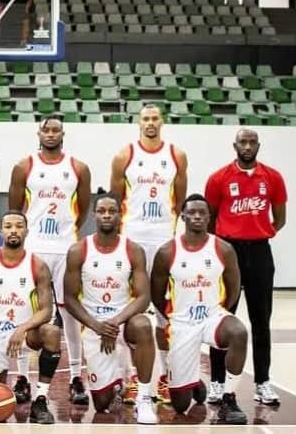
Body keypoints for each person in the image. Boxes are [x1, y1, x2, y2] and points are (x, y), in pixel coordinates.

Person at [8, 114, 91, 405]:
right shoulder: (24, 167)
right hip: (34, 248)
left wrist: (66, 233)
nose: (51, 134)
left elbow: (82, 210)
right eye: (47, 130)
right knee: (25, 311)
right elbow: (15, 211)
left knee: (70, 312)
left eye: (56, 130)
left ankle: (76, 377)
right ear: (38, 133)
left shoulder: (78, 168)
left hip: (65, 248)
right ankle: (22, 377)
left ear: (63, 133)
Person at [109, 103, 187, 404]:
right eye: (146, 119)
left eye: (155, 118)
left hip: (164, 237)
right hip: (133, 237)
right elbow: (115, 201)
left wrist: (169, 228)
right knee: (132, 309)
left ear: (162, 122)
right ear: (138, 123)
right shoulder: (124, 155)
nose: (150, 123)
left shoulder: (176, 155)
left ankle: (167, 376)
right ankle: (131, 376)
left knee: (165, 310)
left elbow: (179, 200)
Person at [205, 128, 287, 406]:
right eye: (243, 142)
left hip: (260, 252)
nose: (248, 146)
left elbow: (280, 219)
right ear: (235, 145)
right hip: (229, 252)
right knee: (222, 319)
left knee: (261, 320)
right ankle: (217, 383)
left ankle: (262, 383)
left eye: (252, 142)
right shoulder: (219, 178)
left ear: (258, 146)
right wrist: (227, 243)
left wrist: (258, 230)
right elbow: (210, 219)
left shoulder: (273, 177)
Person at [151, 194, 248, 424]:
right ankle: (192, 381)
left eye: (202, 212)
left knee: (239, 332)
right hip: (182, 323)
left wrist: (221, 312)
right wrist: (173, 317)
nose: (197, 216)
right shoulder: (167, 252)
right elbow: (156, 294)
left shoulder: (223, 249)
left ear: (209, 217)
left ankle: (228, 398)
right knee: (180, 404)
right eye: (192, 212)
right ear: (183, 216)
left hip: (212, 316)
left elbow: (234, 288)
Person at [62, 193, 157, 424]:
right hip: (94, 326)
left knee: (144, 325)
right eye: (102, 211)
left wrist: (115, 321)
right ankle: (118, 382)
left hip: (124, 322)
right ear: (94, 215)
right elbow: (70, 298)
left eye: (112, 211)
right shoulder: (78, 250)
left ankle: (144, 398)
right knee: (102, 404)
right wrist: (96, 326)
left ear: (120, 215)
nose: (106, 215)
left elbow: (144, 298)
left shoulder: (133, 250)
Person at [0, 210, 60, 425]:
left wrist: (22, 328)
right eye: (8, 226)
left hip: (25, 335)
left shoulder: (38, 265)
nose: (13, 230)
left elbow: (46, 311)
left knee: (52, 332)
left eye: (19, 226)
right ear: (0, 231)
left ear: (27, 231)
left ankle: (40, 401)